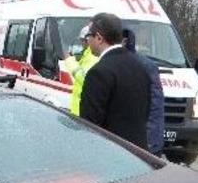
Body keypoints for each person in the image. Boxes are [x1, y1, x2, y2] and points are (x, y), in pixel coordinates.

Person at [80, 13, 151, 149]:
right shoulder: (140, 67)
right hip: (140, 155)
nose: (87, 40)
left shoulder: (98, 72)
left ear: (99, 38)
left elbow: (89, 125)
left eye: (89, 35)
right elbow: (145, 113)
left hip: (110, 155)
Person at [123, 28, 165, 156]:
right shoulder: (117, 63)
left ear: (124, 41)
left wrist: (149, 141)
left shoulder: (143, 66)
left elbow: (155, 105)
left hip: (142, 141)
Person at [61, 25, 99, 116]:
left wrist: (68, 60)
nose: (81, 43)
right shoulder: (87, 54)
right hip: (78, 109)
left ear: (87, 40)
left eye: (82, 41)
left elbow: (83, 77)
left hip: (82, 112)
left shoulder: (92, 56)